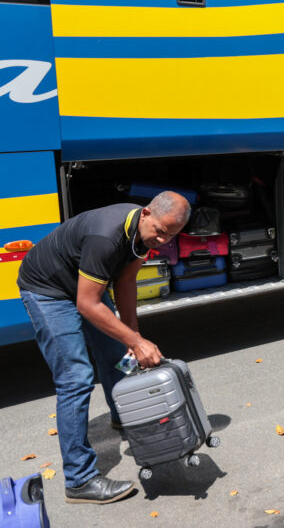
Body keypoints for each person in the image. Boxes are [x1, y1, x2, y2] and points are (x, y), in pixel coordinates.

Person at [17, 191, 191, 504]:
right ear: (146, 212)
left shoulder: (143, 235)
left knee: (116, 356)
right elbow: (86, 303)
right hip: (48, 290)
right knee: (75, 379)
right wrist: (136, 341)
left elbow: (126, 282)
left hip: (84, 284)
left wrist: (132, 337)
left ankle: (121, 414)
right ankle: (79, 480)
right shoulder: (107, 236)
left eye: (172, 235)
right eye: (161, 231)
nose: (164, 240)